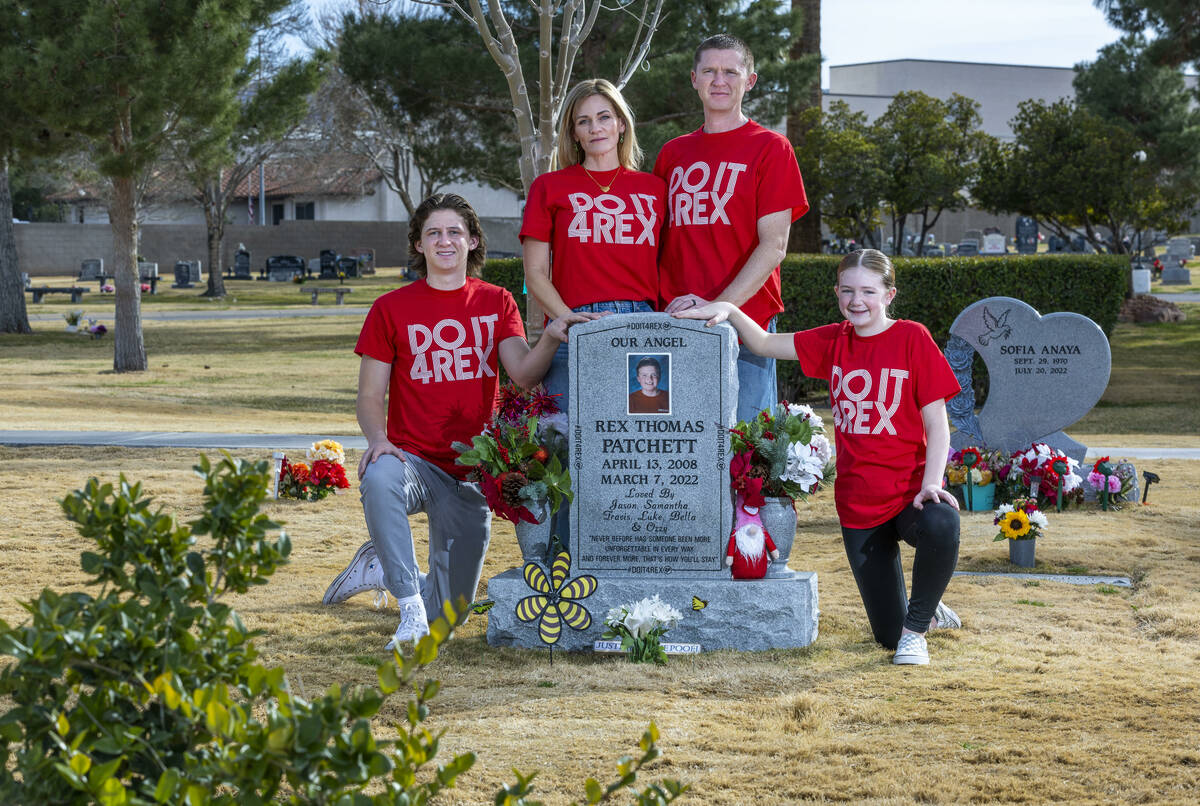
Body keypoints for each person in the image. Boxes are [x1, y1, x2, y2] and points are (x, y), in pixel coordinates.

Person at [322, 193, 592, 650]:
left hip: (471, 472)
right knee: (379, 472)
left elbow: (524, 376)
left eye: (454, 232)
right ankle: (408, 608)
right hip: (411, 460)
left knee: (451, 616)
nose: (444, 241)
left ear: (471, 241)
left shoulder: (496, 301)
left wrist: (548, 336)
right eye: (433, 233)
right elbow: (370, 396)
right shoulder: (391, 308)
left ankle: (383, 569)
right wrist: (378, 439)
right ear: (419, 244)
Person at [674, 249, 963, 665]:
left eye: (868, 291)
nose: (856, 300)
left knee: (942, 521)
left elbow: (938, 423)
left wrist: (931, 484)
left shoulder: (912, 337)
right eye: (847, 291)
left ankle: (916, 632)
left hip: (909, 495)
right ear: (837, 293)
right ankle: (926, 609)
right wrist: (727, 307)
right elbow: (762, 342)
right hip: (860, 502)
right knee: (885, 635)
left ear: (889, 294)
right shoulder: (834, 340)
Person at [520, 78, 666, 543]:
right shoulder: (550, 187)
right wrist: (566, 320)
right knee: (563, 454)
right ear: (574, 133)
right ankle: (559, 568)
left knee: (638, 454)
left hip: (642, 329)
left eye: (605, 117)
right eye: (584, 121)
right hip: (574, 328)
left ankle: (631, 554)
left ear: (622, 124)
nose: (596, 127)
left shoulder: (655, 189)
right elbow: (536, 273)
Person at [654, 33, 808, 424]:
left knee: (748, 453)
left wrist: (720, 306)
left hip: (746, 322)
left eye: (730, 72)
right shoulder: (673, 153)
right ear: (694, 78)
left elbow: (774, 246)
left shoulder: (771, 148)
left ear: (750, 80)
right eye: (709, 71)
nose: (718, 80)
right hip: (679, 319)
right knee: (682, 449)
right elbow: (656, 241)